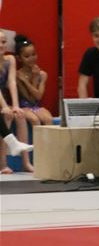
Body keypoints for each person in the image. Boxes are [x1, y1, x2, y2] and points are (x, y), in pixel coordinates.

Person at [14, 34, 53, 172]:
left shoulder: (42, 74)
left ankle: (48, 157)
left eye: (34, 54)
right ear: (19, 58)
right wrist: (25, 81)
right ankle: (34, 160)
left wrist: (34, 78)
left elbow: (37, 97)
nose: (32, 58)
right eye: (27, 56)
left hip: (35, 105)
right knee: (35, 120)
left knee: (48, 119)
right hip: (23, 106)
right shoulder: (17, 75)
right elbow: (28, 98)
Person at [0, 29, 31, 174]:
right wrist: (5, 106)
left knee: (20, 115)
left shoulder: (10, 60)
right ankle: (3, 164)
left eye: (4, 42)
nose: (1, 45)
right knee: (6, 116)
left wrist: (16, 105)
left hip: (3, 100)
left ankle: (26, 162)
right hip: (1, 102)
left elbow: (12, 82)